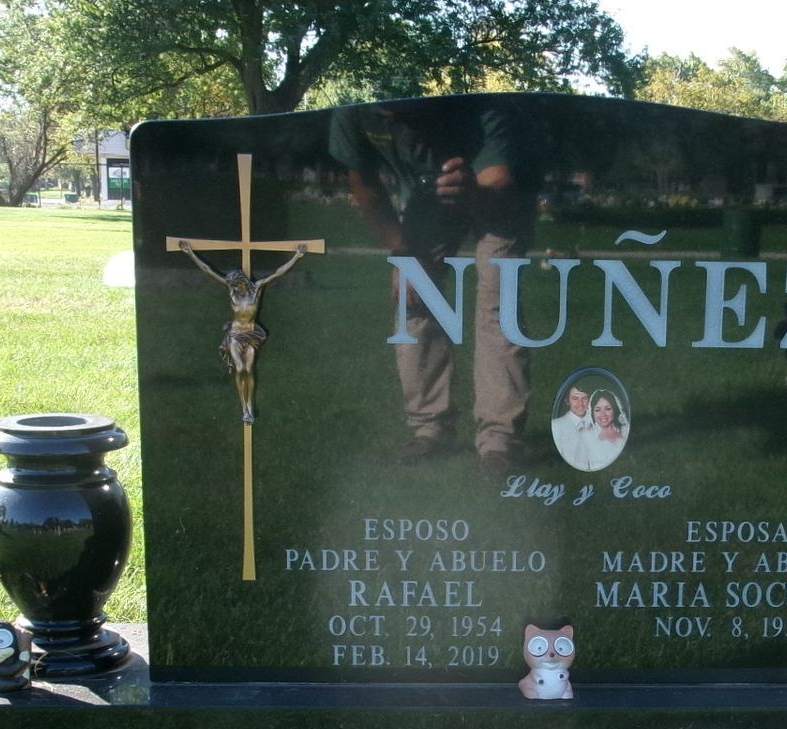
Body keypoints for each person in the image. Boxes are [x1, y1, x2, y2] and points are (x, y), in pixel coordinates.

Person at [330, 101, 536, 471]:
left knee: (497, 306)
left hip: (495, 195)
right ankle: (430, 429)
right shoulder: (351, 107)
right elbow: (364, 185)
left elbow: (500, 177)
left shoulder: (479, 100)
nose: (393, 118)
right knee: (414, 299)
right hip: (428, 201)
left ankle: (499, 440)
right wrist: (402, 255)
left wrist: (472, 189)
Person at [175, 242, 308, 424]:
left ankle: (250, 405)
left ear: (242, 283)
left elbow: (277, 273)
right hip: (235, 336)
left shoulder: (256, 290)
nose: (234, 288)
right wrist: (190, 253)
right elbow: (209, 271)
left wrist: (296, 257)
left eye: (236, 285)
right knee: (239, 369)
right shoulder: (232, 292)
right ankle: (244, 408)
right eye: (233, 286)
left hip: (251, 335)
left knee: (248, 369)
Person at [580, 389, 628, 471]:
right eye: (598, 410)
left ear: (615, 409)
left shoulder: (625, 430)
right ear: (592, 412)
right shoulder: (586, 436)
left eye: (608, 409)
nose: (603, 414)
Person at [550, 382, 594, 468]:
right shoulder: (557, 426)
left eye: (584, 398)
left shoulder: (598, 422)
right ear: (567, 401)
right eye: (575, 398)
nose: (580, 403)